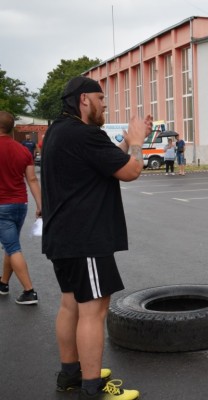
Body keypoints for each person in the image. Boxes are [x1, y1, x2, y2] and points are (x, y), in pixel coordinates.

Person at [41, 76, 152, 400]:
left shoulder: (59, 132)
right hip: (86, 238)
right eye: (101, 98)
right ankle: (92, 387)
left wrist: (129, 141)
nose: (106, 104)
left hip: (62, 238)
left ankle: (70, 374)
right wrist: (137, 143)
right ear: (83, 100)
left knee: (70, 305)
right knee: (94, 310)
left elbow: (107, 160)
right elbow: (131, 171)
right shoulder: (85, 134)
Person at [0, 111, 42, 305]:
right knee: (11, 244)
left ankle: (29, 291)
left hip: (2, 206)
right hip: (20, 204)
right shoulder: (23, 150)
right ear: (12, 128)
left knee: (13, 247)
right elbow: (32, 179)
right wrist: (41, 205)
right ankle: (3, 283)